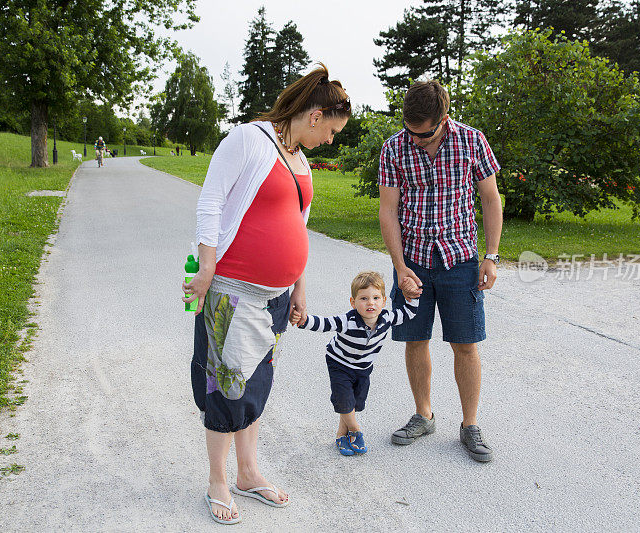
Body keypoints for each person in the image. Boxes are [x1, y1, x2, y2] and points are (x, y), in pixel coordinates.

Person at [182, 63, 351, 525]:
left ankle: (248, 472)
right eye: (332, 130)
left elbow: (299, 226)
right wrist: (207, 264)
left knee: (255, 385)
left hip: (276, 297)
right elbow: (211, 201)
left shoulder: (299, 160)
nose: (331, 141)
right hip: (232, 291)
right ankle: (218, 480)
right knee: (223, 387)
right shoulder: (248, 140)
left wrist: (299, 284)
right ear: (314, 115)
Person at [378, 80, 503, 463]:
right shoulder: (394, 148)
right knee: (415, 340)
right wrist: (399, 267)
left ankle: (469, 425)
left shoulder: (472, 141)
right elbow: (388, 210)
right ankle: (424, 414)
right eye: (410, 131)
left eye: (425, 133)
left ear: (444, 118)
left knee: (465, 344)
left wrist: (492, 255)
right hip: (413, 260)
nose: (416, 140)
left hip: (460, 260)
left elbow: (490, 198)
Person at [290, 271, 418, 456]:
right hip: (339, 364)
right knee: (344, 400)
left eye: (375, 298)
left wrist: (413, 296)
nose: (370, 303)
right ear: (353, 302)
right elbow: (324, 324)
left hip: (363, 368)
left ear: (383, 301)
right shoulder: (347, 321)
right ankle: (356, 431)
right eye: (364, 298)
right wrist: (303, 320)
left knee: (355, 402)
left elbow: (409, 313)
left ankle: (342, 435)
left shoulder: (387, 319)